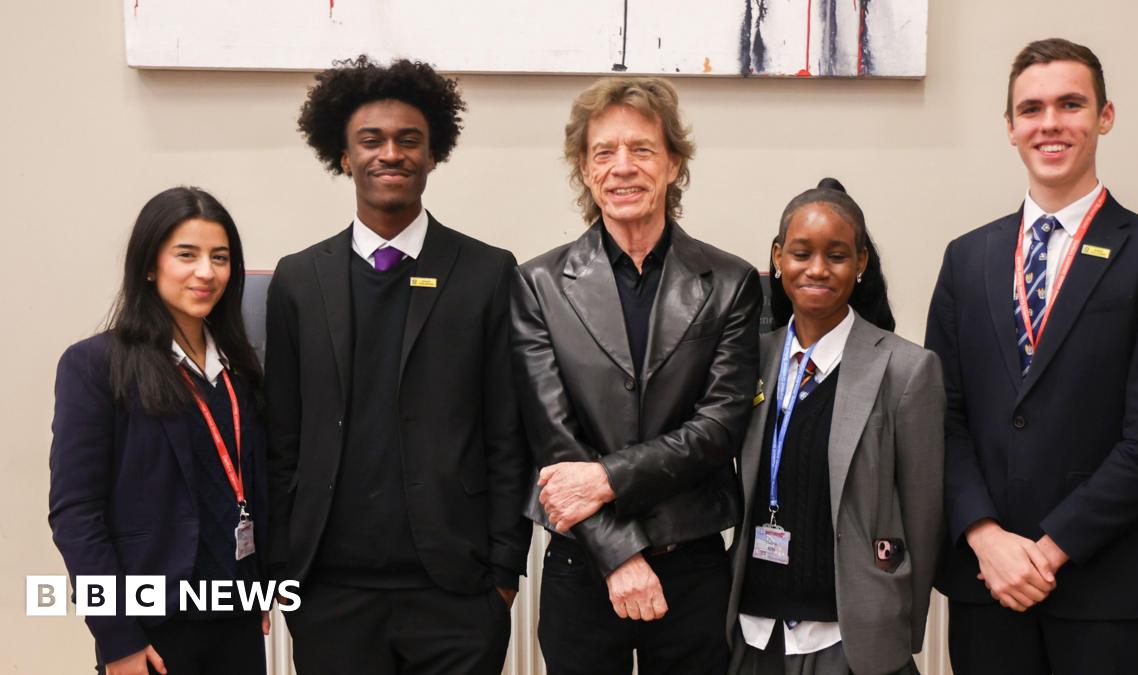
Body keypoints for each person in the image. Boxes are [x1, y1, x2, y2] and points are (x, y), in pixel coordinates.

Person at [926, 38, 1138, 674]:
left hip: (1107, 586)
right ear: (1011, 127)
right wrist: (985, 537)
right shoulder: (967, 258)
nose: (1050, 123)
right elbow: (941, 414)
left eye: (1070, 104)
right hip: (985, 584)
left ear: (1104, 116)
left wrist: (1048, 552)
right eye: (1032, 109)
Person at [265, 55, 530, 675]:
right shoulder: (299, 279)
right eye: (372, 140)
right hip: (329, 591)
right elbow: (281, 438)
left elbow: (508, 434)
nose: (392, 153)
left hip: (458, 591)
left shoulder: (488, 273)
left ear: (434, 153)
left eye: (409, 140)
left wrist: (504, 569)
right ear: (343, 154)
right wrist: (279, 571)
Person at [510, 76, 762, 674]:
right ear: (584, 168)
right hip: (582, 564)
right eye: (604, 152)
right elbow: (552, 436)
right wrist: (619, 557)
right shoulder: (538, 286)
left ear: (673, 163)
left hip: (694, 563)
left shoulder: (731, 284)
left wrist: (603, 478)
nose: (623, 167)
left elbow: (720, 426)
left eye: (642, 149)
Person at [726, 178, 943, 675]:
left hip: (850, 642)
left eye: (838, 255)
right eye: (801, 253)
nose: (817, 269)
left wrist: (899, 625)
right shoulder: (750, 360)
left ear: (862, 263)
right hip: (754, 634)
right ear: (778, 259)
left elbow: (924, 519)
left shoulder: (905, 369)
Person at [49, 187, 269, 675]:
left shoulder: (240, 369)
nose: (206, 272)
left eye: (220, 257)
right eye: (186, 256)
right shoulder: (96, 365)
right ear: (151, 266)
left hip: (237, 614)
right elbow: (76, 515)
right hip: (152, 628)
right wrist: (117, 639)